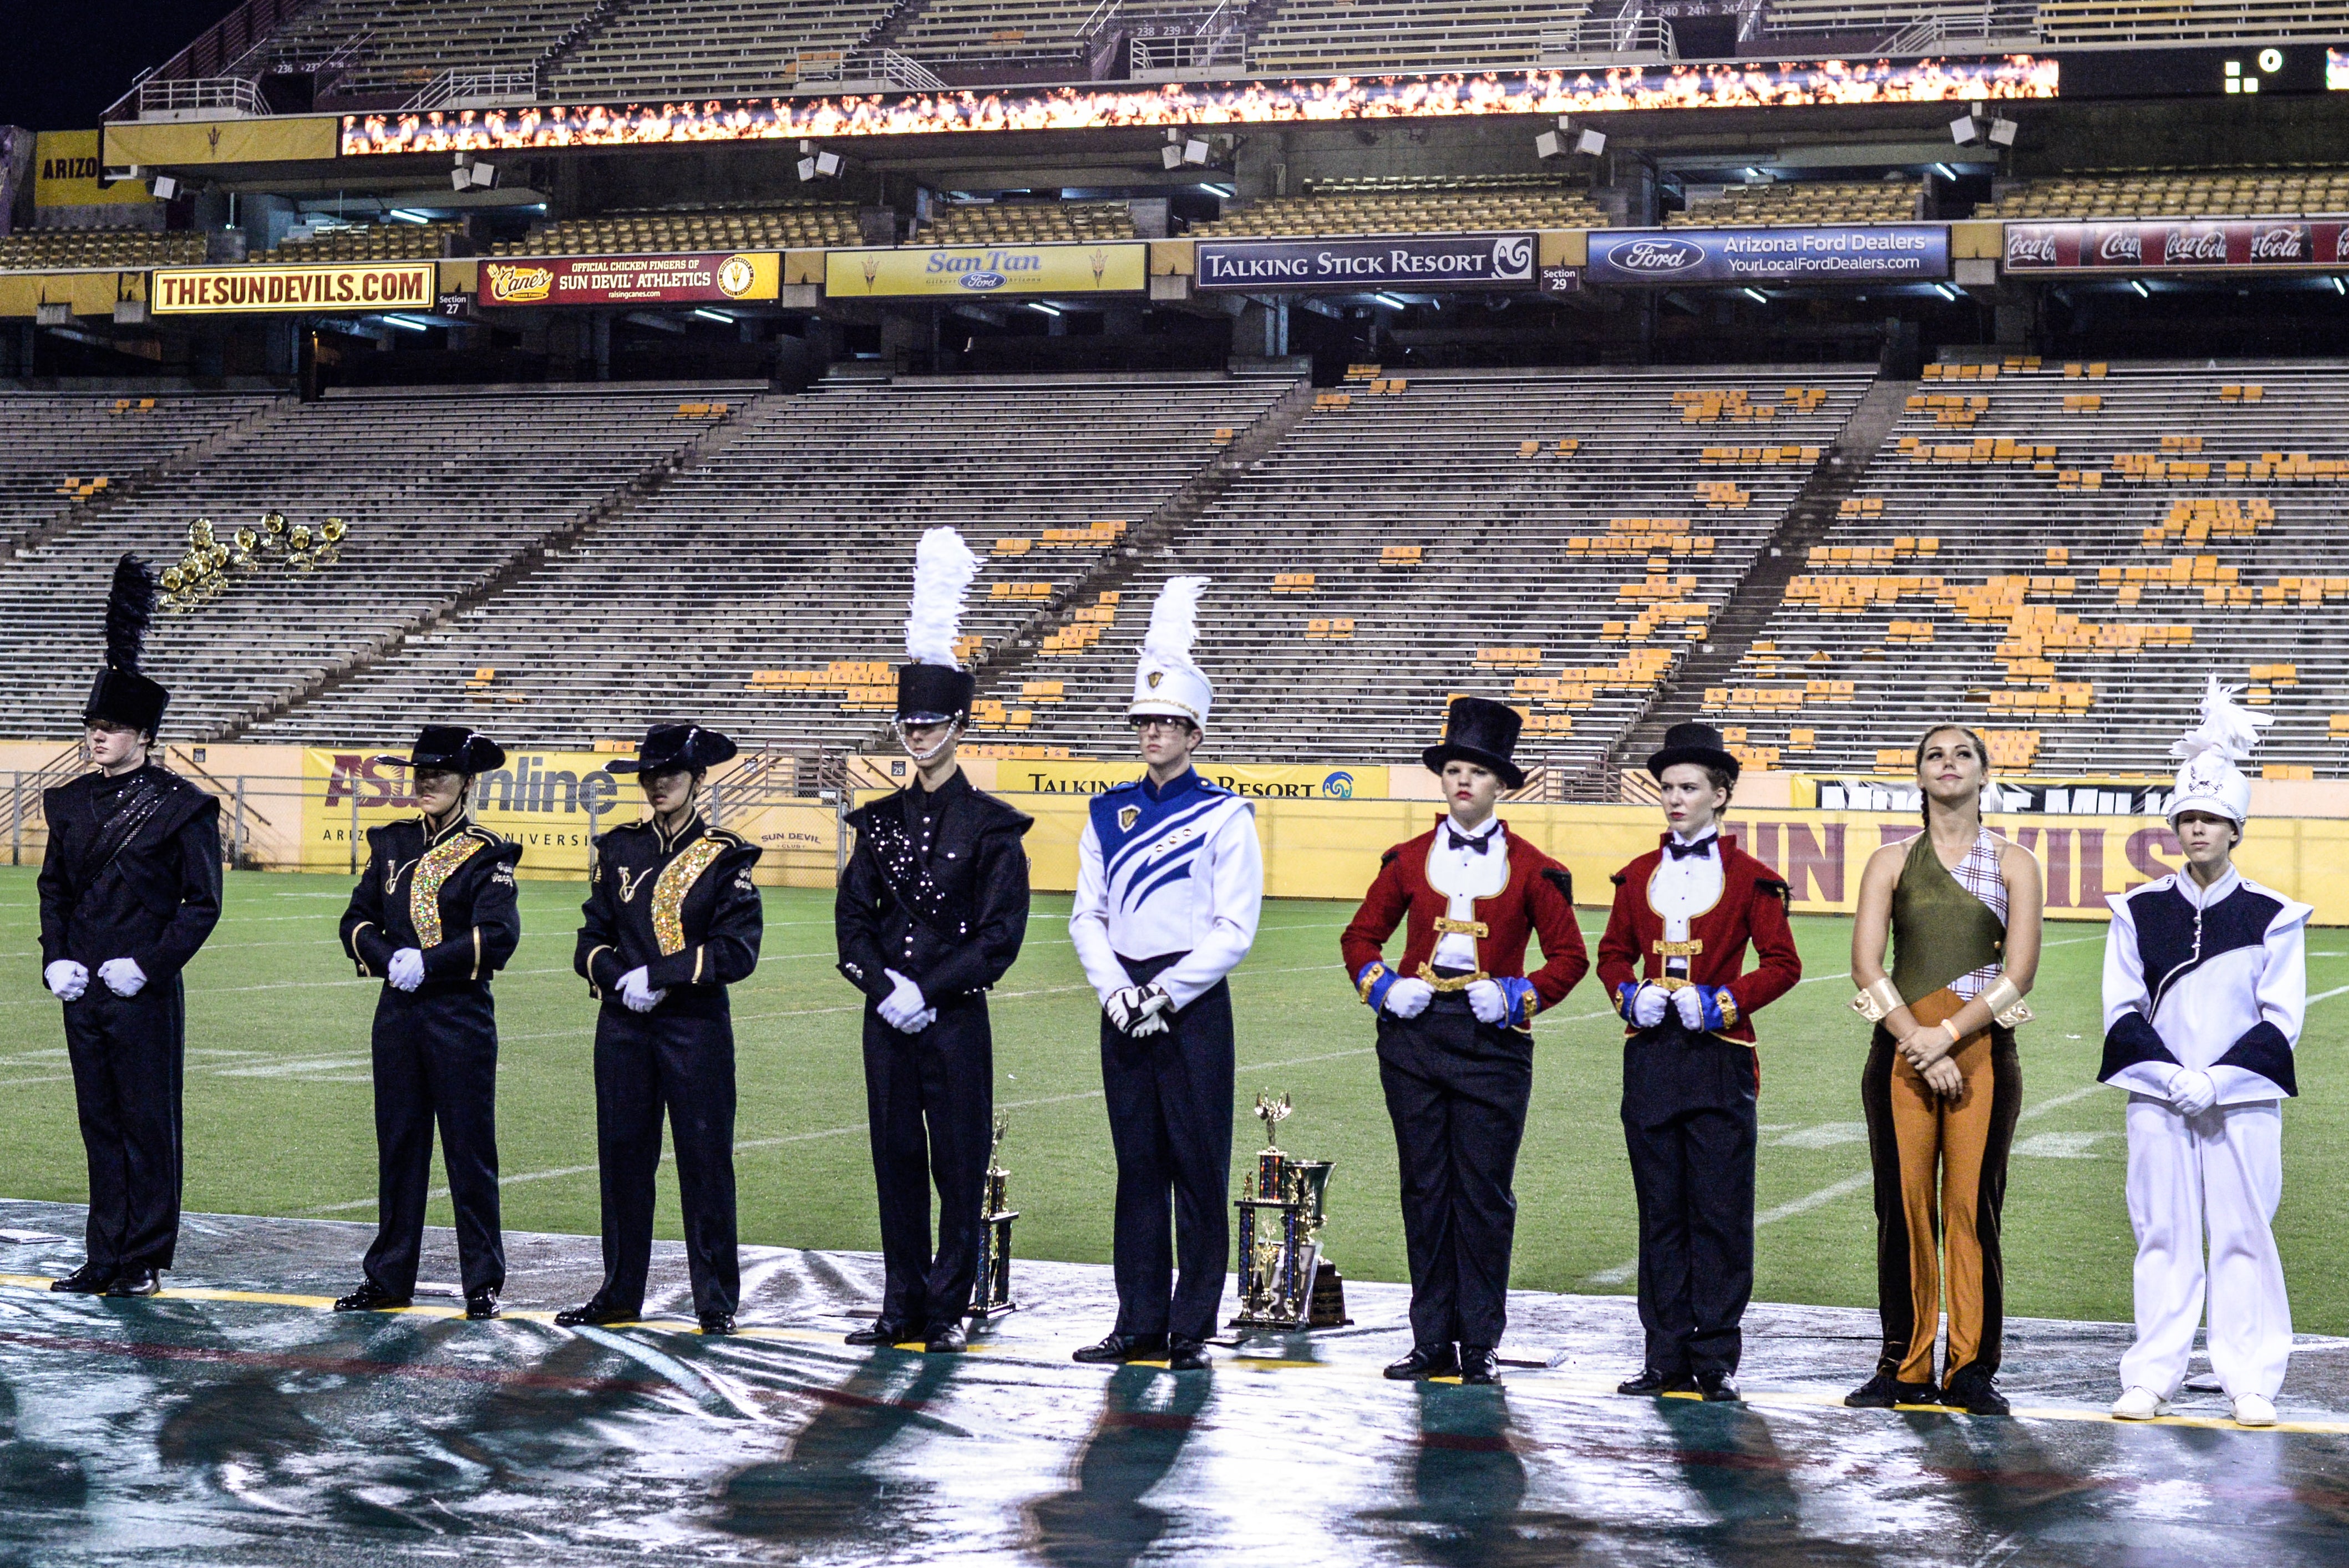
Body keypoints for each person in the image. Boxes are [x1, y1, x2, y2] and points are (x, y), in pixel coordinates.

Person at [1341, 696, 1589, 1384]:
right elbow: (1360, 935)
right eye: (1452, 769)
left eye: (1476, 773)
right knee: (1423, 1189)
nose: (1461, 782)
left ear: (1500, 785)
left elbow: (1569, 957)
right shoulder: (1406, 859)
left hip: (1493, 1047)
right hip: (1414, 1039)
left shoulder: (1537, 869)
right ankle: (1429, 1341)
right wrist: (1384, 986)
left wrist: (1514, 994)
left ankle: (1478, 1341)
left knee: (1482, 1194)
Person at [837, 528, 1033, 1353]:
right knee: (893, 1165)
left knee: (956, 1169)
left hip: (952, 1019)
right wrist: (886, 988)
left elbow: (999, 937)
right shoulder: (875, 821)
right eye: (908, 722)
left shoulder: (992, 826)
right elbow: (850, 925)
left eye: (931, 721)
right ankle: (899, 1305)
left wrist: (930, 988)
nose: (918, 733)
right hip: (888, 1018)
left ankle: (947, 1307)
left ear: (957, 723)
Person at [1068, 576, 1262, 1373]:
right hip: (1123, 1002)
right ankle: (1136, 1318)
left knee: (1195, 1164)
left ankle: (1190, 1323)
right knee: (1136, 1167)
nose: (1151, 731)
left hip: (1190, 1005)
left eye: (1166, 721)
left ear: (1194, 730)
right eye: (1143, 720)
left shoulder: (1224, 815)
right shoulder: (1105, 809)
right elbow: (1087, 915)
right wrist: (1116, 990)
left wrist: (1162, 990)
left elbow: (1234, 928)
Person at [2103, 679, 2307, 1429]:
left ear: (2233, 829)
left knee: (2243, 1234)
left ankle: (2247, 1376)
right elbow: (2120, 1010)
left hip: (2243, 1103)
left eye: (2210, 818)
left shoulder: (2274, 916)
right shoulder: (2134, 910)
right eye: (2185, 816)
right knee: (2159, 1234)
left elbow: (2279, 1018)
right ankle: (2150, 1372)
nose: (2195, 829)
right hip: (2156, 1101)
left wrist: (2214, 1082)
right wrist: (2170, 1079)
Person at [1596, 721, 1802, 1402]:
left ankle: (1713, 1357)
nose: (1674, 799)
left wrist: (1722, 1003)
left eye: (1689, 787)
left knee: (1717, 1212)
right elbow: (1610, 954)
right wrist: (1628, 995)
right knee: (1658, 1211)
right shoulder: (1634, 877)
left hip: (1719, 1061)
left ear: (1721, 794)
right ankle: (1662, 1355)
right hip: (1650, 1059)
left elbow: (1782, 964)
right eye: (1667, 788)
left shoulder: (1753, 881)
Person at [38, 555, 222, 1299]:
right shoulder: (71, 801)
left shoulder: (182, 804)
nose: (96, 736)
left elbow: (201, 903)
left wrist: (148, 964)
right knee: (99, 1124)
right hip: (84, 986)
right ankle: (102, 1253)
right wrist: (56, 958)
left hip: (141, 988)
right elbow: (54, 888)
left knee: (147, 1125)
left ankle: (142, 1257)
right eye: (91, 725)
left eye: (109, 727)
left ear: (142, 732)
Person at [1846, 724, 2042, 1415]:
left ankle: (1970, 1370)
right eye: (1933, 754)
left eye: (1962, 754)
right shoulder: (1889, 861)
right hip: (1900, 1058)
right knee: (1901, 1211)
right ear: (1918, 775)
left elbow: (2018, 975)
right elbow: (1865, 967)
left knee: (1970, 1210)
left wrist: (1948, 1036)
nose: (1947, 763)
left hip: (1982, 1053)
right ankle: (1901, 1366)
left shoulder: (2016, 862)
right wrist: (1916, 1042)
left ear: (1985, 774)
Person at [561, 724, 763, 1334]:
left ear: (699, 779)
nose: (658, 784)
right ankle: (619, 1291)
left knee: (705, 1162)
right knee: (622, 1160)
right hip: (623, 1026)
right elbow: (590, 938)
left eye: (671, 773)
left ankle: (715, 1301)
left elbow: (737, 950)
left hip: (694, 1027)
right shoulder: (618, 849)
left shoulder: (727, 854)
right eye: (650, 775)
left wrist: (662, 976)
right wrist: (622, 977)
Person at [333, 727, 521, 1321]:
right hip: (396, 1014)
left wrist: (429, 962)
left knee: (469, 1152)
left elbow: (498, 937)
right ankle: (388, 1276)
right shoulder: (390, 843)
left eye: (441, 774)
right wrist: (391, 960)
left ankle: (482, 1282)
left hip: (459, 1016)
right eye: (421, 773)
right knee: (399, 1147)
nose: (428, 783)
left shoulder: (489, 852)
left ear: (468, 782)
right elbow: (356, 920)